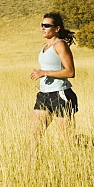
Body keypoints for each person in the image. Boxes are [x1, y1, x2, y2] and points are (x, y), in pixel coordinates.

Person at [30, 12, 77, 143]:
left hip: (60, 94)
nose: (43, 28)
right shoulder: (45, 47)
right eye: (42, 25)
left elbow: (70, 72)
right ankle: (30, 164)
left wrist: (44, 73)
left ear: (57, 29)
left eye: (47, 25)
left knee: (68, 138)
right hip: (44, 95)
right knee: (34, 136)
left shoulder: (60, 45)